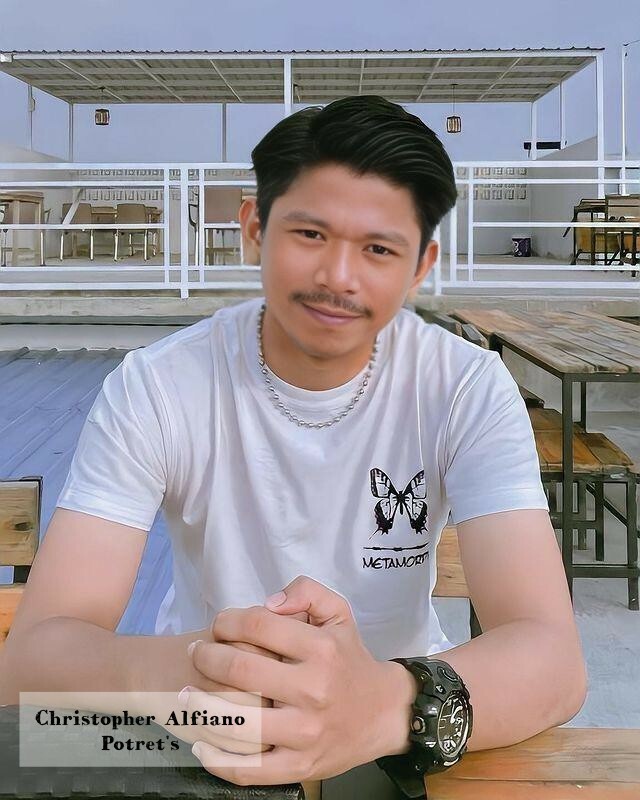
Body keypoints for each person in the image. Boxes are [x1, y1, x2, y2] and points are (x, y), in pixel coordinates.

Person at [0, 96, 586, 795]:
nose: (338, 275)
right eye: (310, 233)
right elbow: (31, 664)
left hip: (397, 732)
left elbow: (554, 660)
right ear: (255, 228)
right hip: (197, 724)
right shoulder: (158, 386)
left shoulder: (464, 387)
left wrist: (380, 704)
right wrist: (217, 669)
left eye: (378, 249)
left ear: (420, 265)